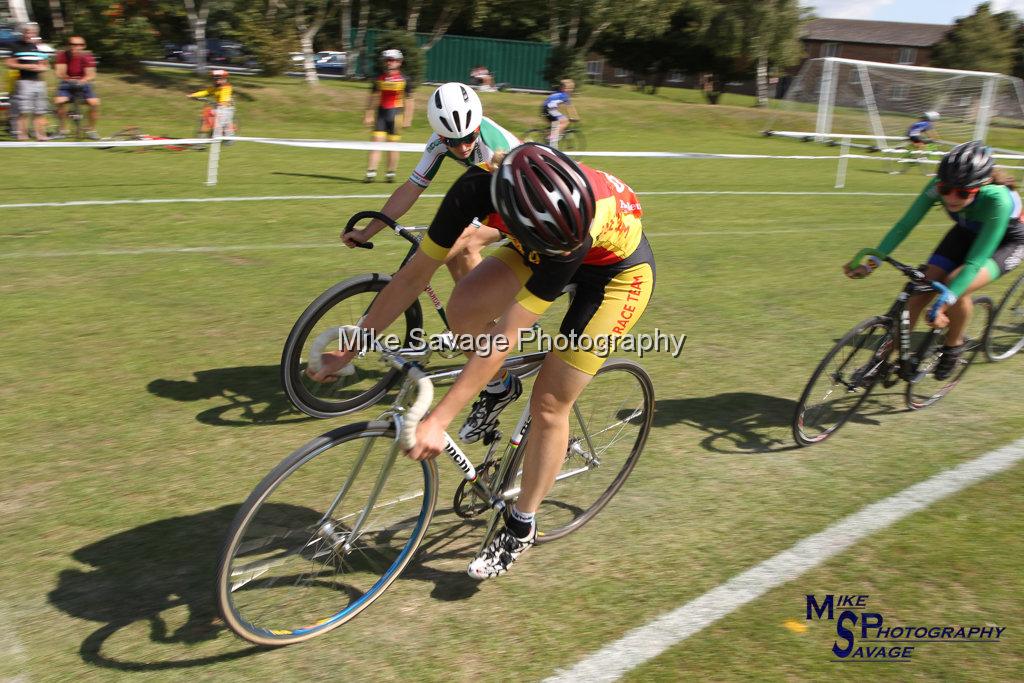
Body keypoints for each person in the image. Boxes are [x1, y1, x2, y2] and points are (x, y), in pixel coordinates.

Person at [315, 143, 655, 578]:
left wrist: (440, 418)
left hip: (615, 274)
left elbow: (505, 336)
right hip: (543, 242)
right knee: (464, 307)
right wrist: (350, 346)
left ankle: (522, 524)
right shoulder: (474, 189)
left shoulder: (570, 221)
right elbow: (413, 278)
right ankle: (499, 385)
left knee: (550, 402)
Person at [845, 140, 1024, 379]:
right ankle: (880, 362)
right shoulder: (937, 186)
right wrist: (873, 262)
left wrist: (944, 302)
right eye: (945, 189)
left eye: (962, 193)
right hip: (966, 231)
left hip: (1007, 242)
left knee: (956, 283)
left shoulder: (998, 199)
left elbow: (973, 263)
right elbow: (903, 226)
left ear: (981, 186)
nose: (951, 197)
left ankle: (954, 345)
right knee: (918, 293)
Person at [344, 82, 520, 281]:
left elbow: (500, 201)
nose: (462, 148)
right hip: (492, 191)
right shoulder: (437, 143)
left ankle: (481, 310)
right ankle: (465, 308)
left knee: (466, 245)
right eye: (452, 142)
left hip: (520, 195)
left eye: (469, 138)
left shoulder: (493, 144)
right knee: (449, 247)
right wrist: (367, 232)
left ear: (477, 128)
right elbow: (410, 190)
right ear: (441, 137)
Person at [364, 49, 413, 183]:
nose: (389, 63)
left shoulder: (405, 79)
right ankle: (371, 173)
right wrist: (368, 114)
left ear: (399, 62)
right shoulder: (379, 78)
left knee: (393, 145)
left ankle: (390, 173)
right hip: (381, 114)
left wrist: (408, 119)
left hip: (395, 115)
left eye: (392, 60)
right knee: (375, 143)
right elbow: (373, 96)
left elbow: (409, 100)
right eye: (387, 60)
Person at [5, 23, 49, 141]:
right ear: (23, 33)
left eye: (31, 33)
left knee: (39, 110)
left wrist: (41, 68)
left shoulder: (38, 47)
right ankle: (22, 135)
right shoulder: (16, 46)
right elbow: (9, 63)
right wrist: (27, 66)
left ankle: (40, 134)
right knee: (23, 110)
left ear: (35, 34)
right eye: (27, 32)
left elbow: (45, 65)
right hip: (24, 82)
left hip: (39, 82)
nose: (29, 35)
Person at [54, 36, 101, 139]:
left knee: (94, 103)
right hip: (67, 82)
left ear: (84, 46)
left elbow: (91, 74)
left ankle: (91, 129)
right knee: (59, 101)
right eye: (74, 45)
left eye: (80, 45)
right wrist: (69, 80)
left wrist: (82, 81)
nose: (77, 47)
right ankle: (63, 129)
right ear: (69, 46)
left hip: (83, 83)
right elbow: (60, 73)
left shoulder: (88, 56)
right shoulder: (63, 55)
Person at [188, 69, 234, 137]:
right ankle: (202, 136)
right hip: (219, 108)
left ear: (224, 79)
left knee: (219, 125)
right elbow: (205, 92)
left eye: (219, 79)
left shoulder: (226, 88)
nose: (216, 81)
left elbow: (224, 98)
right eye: (215, 79)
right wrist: (193, 95)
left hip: (226, 109)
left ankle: (227, 135)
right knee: (206, 115)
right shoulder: (215, 88)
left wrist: (222, 103)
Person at [540, 79, 579, 149]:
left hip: (547, 109)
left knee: (558, 124)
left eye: (571, 88)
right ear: (562, 88)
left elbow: (569, 107)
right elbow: (570, 107)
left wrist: (572, 116)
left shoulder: (560, 94)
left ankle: (549, 141)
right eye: (568, 88)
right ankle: (551, 138)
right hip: (549, 109)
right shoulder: (564, 95)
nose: (570, 90)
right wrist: (575, 117)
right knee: (565, 121)